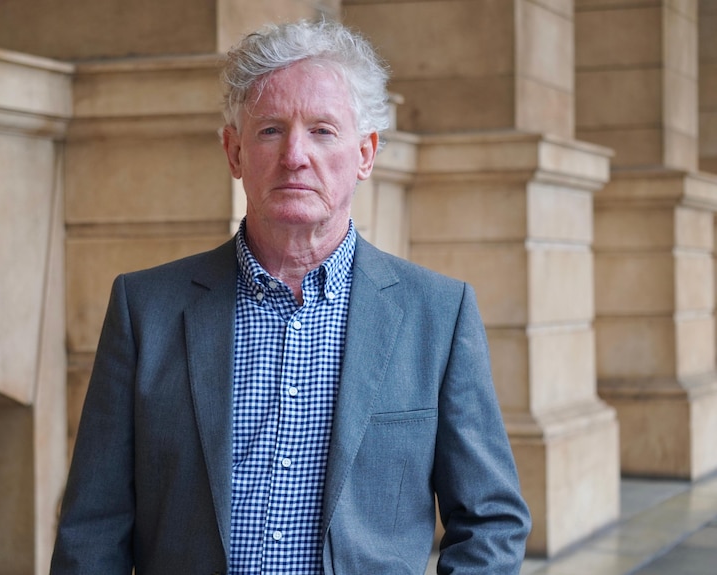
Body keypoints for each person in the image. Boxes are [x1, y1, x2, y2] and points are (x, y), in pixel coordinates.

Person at [50, 19, 531, 575]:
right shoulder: (146, 309)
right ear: (234, 152)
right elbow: (93, 527)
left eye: (323, 130)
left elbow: (490, 520)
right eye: (271, 130)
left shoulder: (438, 316)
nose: (295, 155)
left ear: (365, 153)